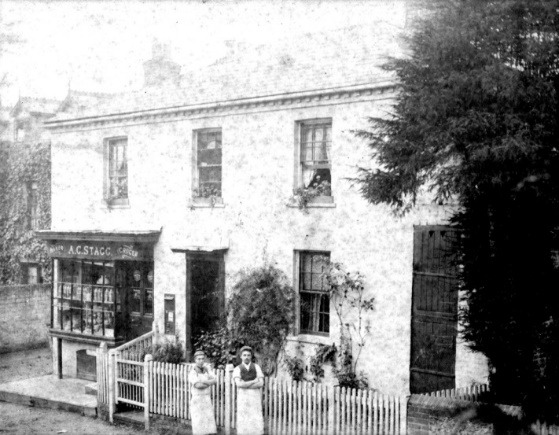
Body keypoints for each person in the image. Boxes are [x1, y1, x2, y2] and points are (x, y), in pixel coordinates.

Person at [232, 346, 265, 435]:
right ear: (241, 356)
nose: (246, 357)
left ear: (251, 357)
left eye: (248, 355)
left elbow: (261, 383)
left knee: (255, 416)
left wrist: (245, 384)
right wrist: (254, 381)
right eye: (244, 355)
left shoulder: (256, 367)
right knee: (244, 417)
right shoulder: (237, 369)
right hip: (243, 396)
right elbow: (239, 384)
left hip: (254, 396)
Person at [190, 350, 217, 435]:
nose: (201, 361)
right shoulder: (193, 372)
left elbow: (215, 379)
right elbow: (198, 386)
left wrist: (204, 381)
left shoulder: (207, 370)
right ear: (195, 360)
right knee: (198, 421)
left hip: (206, 397)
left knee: (208, 420)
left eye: (202, 359)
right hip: (197, 398)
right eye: (199, 359)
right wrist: (209, 382)